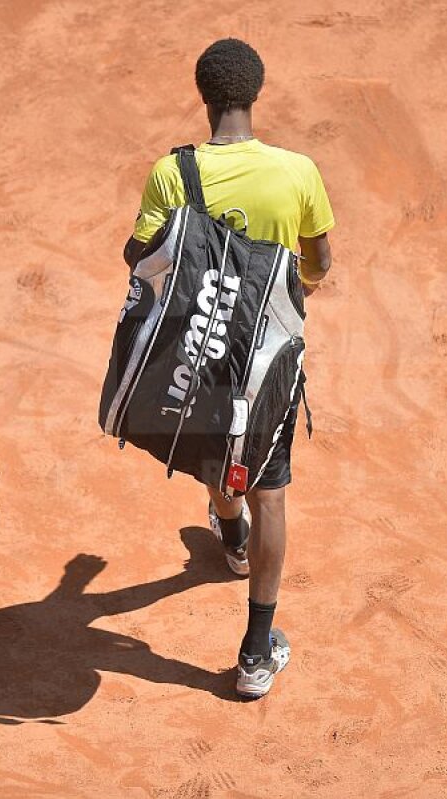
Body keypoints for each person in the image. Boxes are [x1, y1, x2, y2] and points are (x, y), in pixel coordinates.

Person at [122, 39, 335, 698]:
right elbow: (320, 262)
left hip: (198, 349)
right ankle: (253, 652)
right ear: (255, 94)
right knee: (269, 486)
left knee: (220, 456)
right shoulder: (298, 172)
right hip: (267, 356)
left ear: (205, 96)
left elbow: (137, 254)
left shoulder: (170, 173)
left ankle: (231, 534)